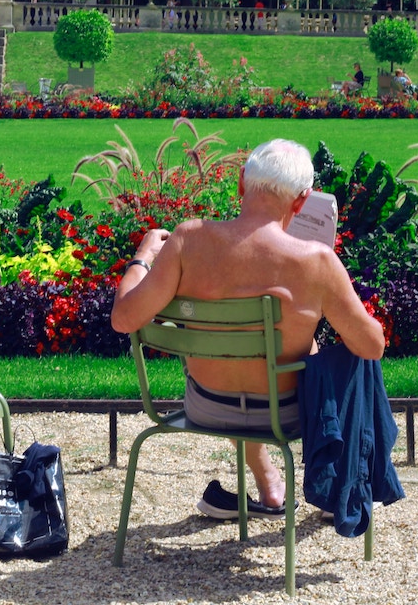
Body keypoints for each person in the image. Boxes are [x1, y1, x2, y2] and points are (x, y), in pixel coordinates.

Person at [110, 139, 386, 521]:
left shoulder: (188, 240)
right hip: (285, 415)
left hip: (206, 406)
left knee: (240, 353)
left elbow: (124, 318)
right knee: (347, 359)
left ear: (241, 182)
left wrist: (142, 256)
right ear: (302, 201)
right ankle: (341, 487)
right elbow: (372, 346)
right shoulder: (317, 261)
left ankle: (270, 484)